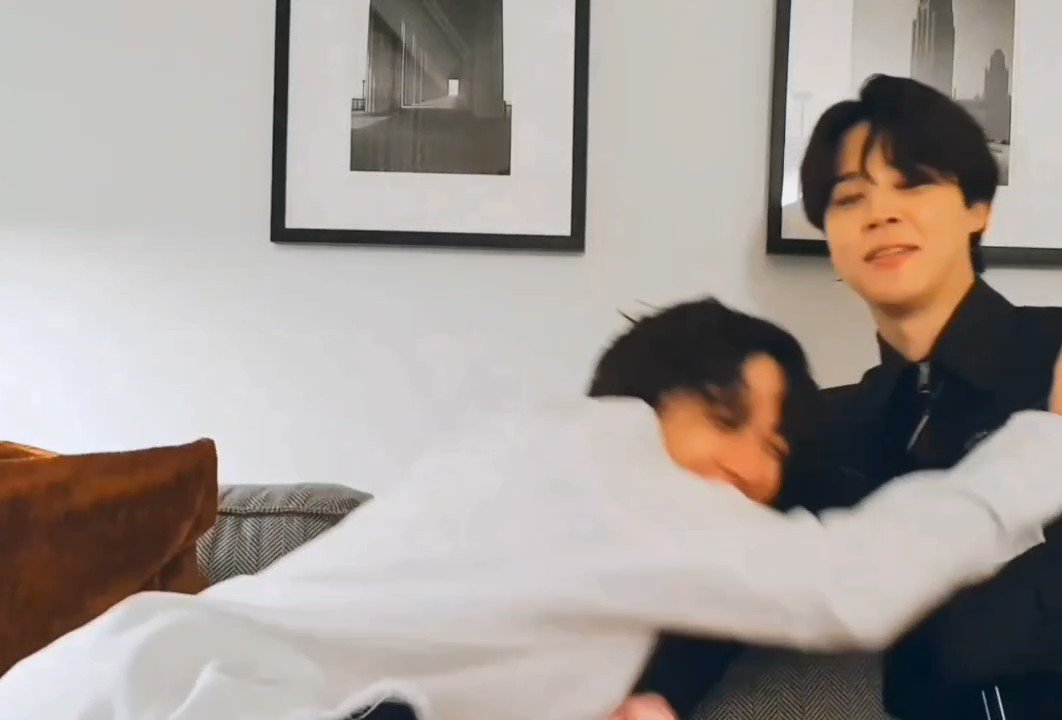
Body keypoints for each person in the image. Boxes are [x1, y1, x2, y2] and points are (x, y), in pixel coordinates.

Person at [2, 298, 1061, 720]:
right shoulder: (605, 460)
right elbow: (849, 583)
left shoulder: (529, 489)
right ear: (653, 399)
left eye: (778, 452)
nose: (758, 473)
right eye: (742, 423)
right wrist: (1046, 442)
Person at [622, 75, 1062, 720]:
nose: (880, 214)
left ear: (978, 209)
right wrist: (650, 697)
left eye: (912, 184)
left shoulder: (1053, 354)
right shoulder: (828, 428)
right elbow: (730, 580)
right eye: (851, 197)